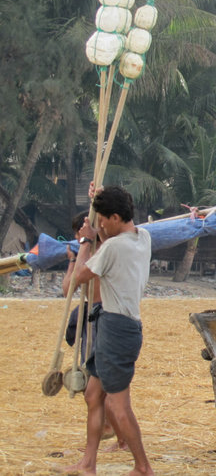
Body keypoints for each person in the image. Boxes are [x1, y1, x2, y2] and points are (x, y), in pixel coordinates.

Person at [66, 185, 153, 476]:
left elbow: (80, 276)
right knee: (93, 394)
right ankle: (88, 464)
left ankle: (142, 467)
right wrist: (98, 199)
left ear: (116, 217)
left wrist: (85, 241)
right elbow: (110, 239)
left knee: (117, 405)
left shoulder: (113, 247)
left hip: (117, 328)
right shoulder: (143, 237)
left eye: (103, 218)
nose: (100, 224)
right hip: (115, 325)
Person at [62, 212, 127, 452]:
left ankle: (122, 441)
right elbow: (68, 288)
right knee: (92, 387)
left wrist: (86, 245)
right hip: (92, 316)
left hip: (105, 317)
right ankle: (107, 434)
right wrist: (73, 257)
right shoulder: (87, 252)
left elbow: (80, 278)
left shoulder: (104, 252)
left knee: (106, 388)